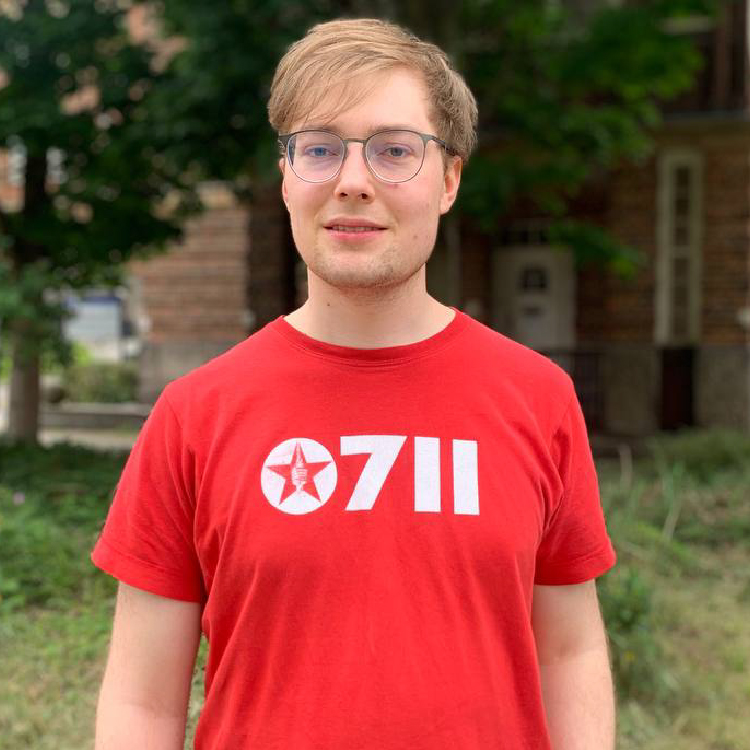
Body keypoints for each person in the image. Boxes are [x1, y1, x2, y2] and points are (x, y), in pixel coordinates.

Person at [92, 17, 616, 750]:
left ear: (450, 180)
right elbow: (142, 702)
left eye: (396, 150)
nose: (353, 181)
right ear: (286, 178)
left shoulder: (537, 398)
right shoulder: (195, 415)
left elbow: (570, 652)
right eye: (320, 149)